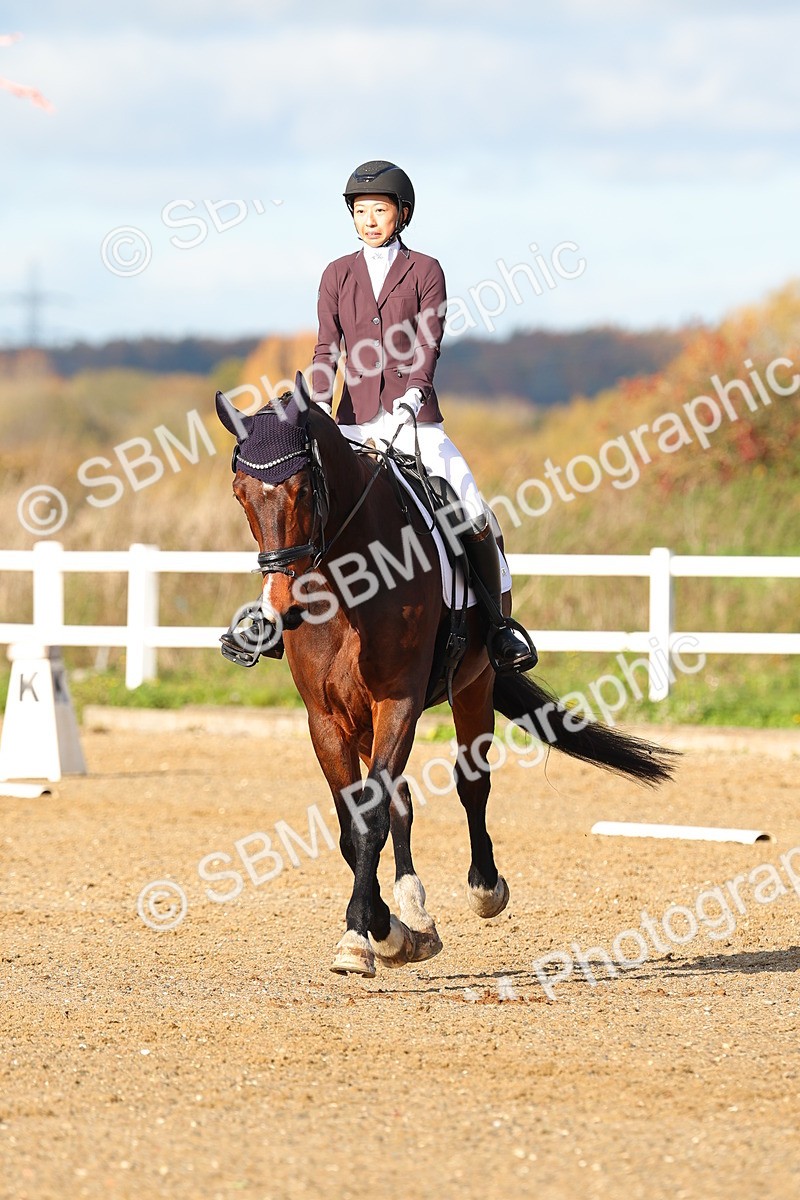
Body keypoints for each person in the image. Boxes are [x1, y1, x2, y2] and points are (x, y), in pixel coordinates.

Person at [310, 159, 536, 674]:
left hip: (414, 421)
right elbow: (327, 347)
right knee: (300, 505)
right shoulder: (336, 274)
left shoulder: (425, 270)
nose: (369, 221)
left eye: (380, 211)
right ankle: (272, 619)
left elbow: (428, 343)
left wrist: (413, 396)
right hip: (350, 421)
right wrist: (322, 404)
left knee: (471, 507)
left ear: (402, 214)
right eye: (361, 211)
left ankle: (499, 630)